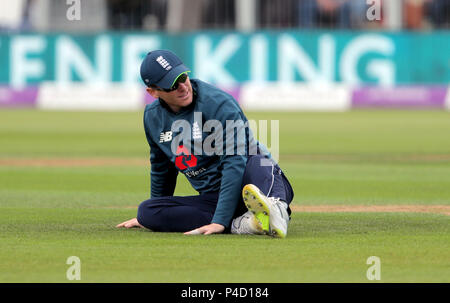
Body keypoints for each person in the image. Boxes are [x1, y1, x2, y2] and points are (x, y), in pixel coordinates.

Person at [116, 49, 294, 238]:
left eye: (183, 77)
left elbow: (234, 161)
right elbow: (162, 169)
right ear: (153, 92)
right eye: (172, 85)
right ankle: (246, 223)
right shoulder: (152, 117)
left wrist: (220, 221)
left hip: (257, 181)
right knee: (146, 211)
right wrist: (155, 214)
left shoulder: (218, 103)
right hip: (214, 198)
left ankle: (276, 208)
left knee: (257, 159)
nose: (183, 87)